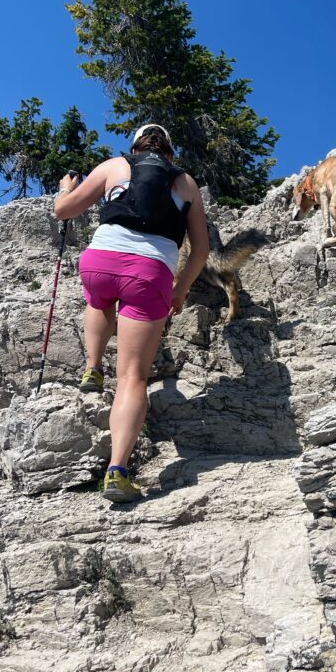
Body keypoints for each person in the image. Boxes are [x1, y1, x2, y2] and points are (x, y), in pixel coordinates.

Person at [53, 124, 209, 502]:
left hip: (100, 260)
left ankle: (92, 366)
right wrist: (179, 290)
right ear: (168, 152)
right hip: (149, 271)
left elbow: (63, 210)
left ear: (135, 147)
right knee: (133, 377)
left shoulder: (113, 166)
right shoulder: (186, 183)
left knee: (99, 300)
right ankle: (117, 472)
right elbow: (201, 250)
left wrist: (64, 187)